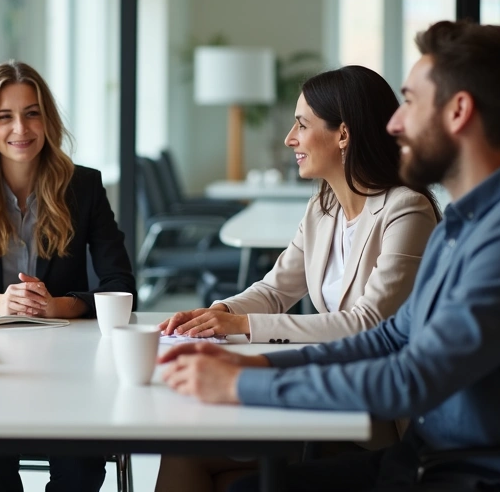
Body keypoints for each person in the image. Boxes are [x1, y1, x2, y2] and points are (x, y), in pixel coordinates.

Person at [161, 21, 500, 492]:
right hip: (433, 457)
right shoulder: (468, 222)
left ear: (458, 111)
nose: (393, 123)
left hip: (487, 475)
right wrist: (258, 366)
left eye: (410, 102)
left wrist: (240, 387)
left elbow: (411, 378)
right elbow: (392, 334)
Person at [155, 65, 440, 492]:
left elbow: (369, 323)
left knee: (220, 468)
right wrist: (219, 312)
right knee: (188, 452)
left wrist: (243, 326)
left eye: (302, 124)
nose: (291, 138)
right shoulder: (322, 209)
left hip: (374, 420)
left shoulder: (406, 210)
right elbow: (275, 289)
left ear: (343, 134)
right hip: (323, 401)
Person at [0, 61, 137, 492]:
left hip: (71, 366)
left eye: (32, 113)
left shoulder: (84, 186)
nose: (21, 127)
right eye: (5, 116)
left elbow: (121, 287)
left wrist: (60, 305)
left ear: (47, 120)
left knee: (80, 472)